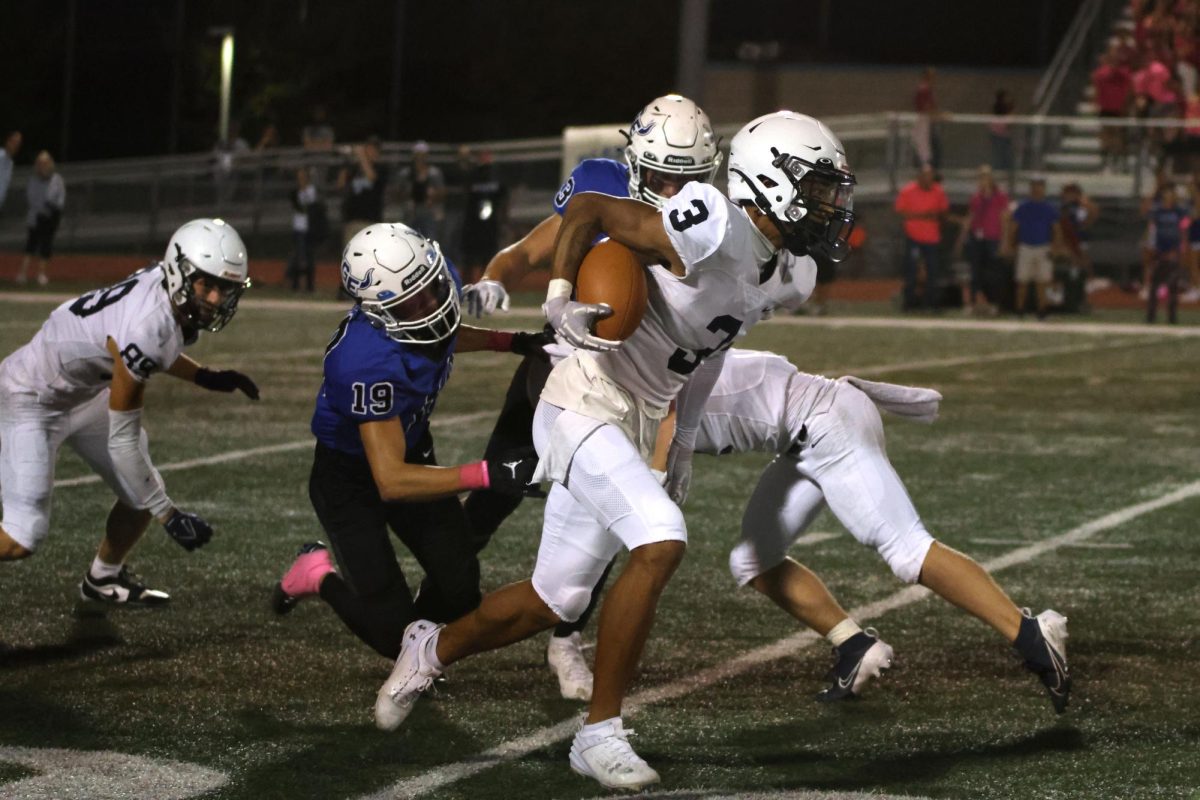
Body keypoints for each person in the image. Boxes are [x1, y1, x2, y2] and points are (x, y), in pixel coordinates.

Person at [376, 111, 857, 792]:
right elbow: (594, 208)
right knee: (660, 538)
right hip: (580, 397)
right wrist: (561, 297)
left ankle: (431, 647)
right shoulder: (712, 217)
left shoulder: (779, 266)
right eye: (817, 187)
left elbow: (709, 353)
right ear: (770, 182)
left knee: (554, 597)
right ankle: (599, 734)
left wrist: (682, 442)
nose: (831, 204)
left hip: (631, 417)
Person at [458, 94, 729, 702]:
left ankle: (564, 638)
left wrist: (674, 441)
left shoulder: (709, 226)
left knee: (608, 523)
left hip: (630, 392)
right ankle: (436, 608)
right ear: (636, 163)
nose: (672, 191)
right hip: (557, 374)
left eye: (686, 179)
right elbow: (530, 248)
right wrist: (494, 279)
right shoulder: (604, 191)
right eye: (661, 176)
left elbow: (709, 340)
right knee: (495, 493)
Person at [652, 348, 1070, 713]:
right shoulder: (654, 368)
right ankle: (855, 647)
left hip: (826, 422)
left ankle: (1030, 633)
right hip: (805, 435)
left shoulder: (651, 382)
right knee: (753, 560)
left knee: (907, 549)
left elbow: (663, 424)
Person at [270, 223, 553, 662]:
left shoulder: (426, 292)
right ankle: (317, 574)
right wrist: (488, 473)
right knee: (390, 638)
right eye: (411, 303)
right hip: (353, 480)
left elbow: (441, 330)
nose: (430, 305)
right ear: (378, 313)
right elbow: (391, 480)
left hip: (414, 450)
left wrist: (510, 341)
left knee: (460, 589)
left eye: (432, 289)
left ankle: (415, 647)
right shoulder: (367, 362)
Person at [0, 219, 258, 605]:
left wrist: (203, 377)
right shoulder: (148, 323)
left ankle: (102, 579)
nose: (216, 299)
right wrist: (170, 517)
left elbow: (145, 346)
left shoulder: (164, 288)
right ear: (180, 271)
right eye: (208, 285)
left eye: (226, 288)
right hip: (31, 398)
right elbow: (123, 438)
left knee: (140, 491)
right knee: (23, 536)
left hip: (82, 391)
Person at [955, 165, 1009, 315]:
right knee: (975, 271)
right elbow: (970, 218)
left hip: (993, 238)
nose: (983, 181)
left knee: (993, 273)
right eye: (980, 178)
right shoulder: (976, 197)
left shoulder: (1000, 197)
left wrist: (1004, 241)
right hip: (977, 238)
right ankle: (971, 303)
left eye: (985, 177)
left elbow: (1004, 219)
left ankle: (994, 303)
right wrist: (962, 238)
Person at [895, 164, 949, 311]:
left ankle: (931, 302)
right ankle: (910, 302)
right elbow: (901, 212)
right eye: (926, 176)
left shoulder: (938, 191)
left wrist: (935, 217)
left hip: (932, 237)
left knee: (933, 270)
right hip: (913, 237)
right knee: (911, 270)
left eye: (931, 177)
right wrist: (923, 215)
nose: (928, 180)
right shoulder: (908, 191)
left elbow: (943, 212)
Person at [1004, 177, 1060, 319]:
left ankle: (1042, 311)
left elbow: (1056, 229)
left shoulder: (1049, 208)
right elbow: (1014, 227)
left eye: (1039, 187)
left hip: (1043, 247)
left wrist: (1055, 247)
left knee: (1043, 281)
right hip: (1025, 246)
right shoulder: (1022, 207)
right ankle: (1019, 311)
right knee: (1022, 281)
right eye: (1034, 187)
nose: (1037, 190)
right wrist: (1011, 245)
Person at [17, 151, 66, 287]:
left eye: (45, 162)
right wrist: (43, 209)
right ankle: (22, 273)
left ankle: (41, 274)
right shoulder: (33, 179)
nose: (43, 166)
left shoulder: (57, 179)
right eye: (41, 163)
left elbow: (60, 198)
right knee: (30, 246)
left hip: (51, 218)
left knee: (46, 246)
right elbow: (32, 198)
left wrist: (53, 209)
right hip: (36, 218)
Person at [459, 151, 508, 284]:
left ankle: (487, 284)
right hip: (473, 223)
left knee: (489, 257)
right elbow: (465, 196)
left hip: (490, 224)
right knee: (471, 257)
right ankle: (468, 285)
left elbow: (503, 201)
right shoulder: (472, 177)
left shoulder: (497, 178)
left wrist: (503, 221)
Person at [1145, 182, 1188, 323]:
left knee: (1173, 285)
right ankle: (1151, 316)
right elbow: (1151, 229)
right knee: (1154, 285)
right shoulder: (1157, 211)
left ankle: (1172, 316)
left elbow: (1184, 228)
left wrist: (1181, 248)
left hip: (1173, 251)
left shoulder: (1179, 211)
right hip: (1160, 251)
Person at [337, 137, 387, 249]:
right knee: (350, 259)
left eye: (371, 149)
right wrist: (345, 164)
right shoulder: (355, 169)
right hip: (352, 221)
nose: (367, 151)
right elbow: (341, 185)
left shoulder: (381, 168)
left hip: (370, 221)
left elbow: (371, 177)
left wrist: (361, 156)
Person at [286, 167, 325, 293]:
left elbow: (309, 207)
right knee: (297, 257)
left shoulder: (311, 190)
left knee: (309, 257)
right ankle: (295, 284)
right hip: (298, 228)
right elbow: (296, 206)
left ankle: (309, 285)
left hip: (309, 229)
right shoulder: (295, 192)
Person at [397, 140, 445, 241]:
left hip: (429, 212)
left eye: (422, 155)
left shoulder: (434, 173)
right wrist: (408, 194)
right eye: (418, 155)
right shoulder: (406, 174)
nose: (420, 158)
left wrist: (433, 195)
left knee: (430, 241)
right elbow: (397, 193)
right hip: (411, 213)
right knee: (409, 241)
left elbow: (442, 193)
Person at [911, 66, 941, 168]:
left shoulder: (928, 89)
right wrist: (940, 115)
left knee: (930, 147)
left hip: (928, 121)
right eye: (931, 76)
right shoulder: (924, 89)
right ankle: (923, 169)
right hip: (923, 121)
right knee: (923, 148)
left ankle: (929, 169)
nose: (934, 79)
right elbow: (926, 108)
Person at [989, 89, 1015, 172]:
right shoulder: (998, 106)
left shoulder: (1007, 108)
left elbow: (1010, 123)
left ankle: (1005, 170)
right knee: (1000, 155)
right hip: (998, 135)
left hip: (1003, 135)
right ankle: (1000, 170)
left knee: (1005, 155)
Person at [0, 130, 21, 211]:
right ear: (8, 141)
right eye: (14, 142)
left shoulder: (10, 164)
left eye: (18, 143)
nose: (15, 145)